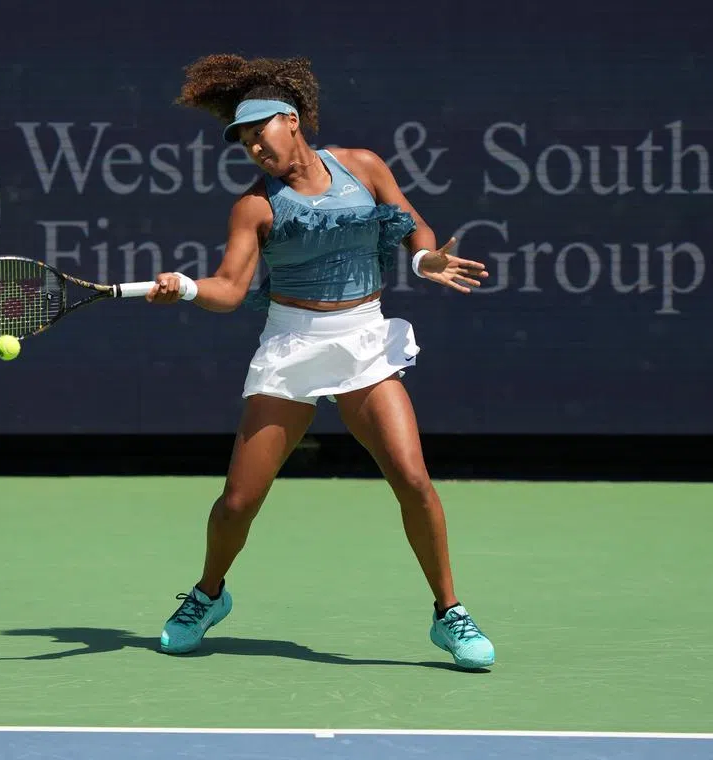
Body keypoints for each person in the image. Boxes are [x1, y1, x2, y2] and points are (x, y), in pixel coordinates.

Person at [144, 54, 495, 670]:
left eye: (260, 131)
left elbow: (414, 229)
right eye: (244, 140)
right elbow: (230, 289)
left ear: (292, 120)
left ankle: (450, 615)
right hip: (292, 344)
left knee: (412, 478)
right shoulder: (254, 206)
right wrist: (189, 287)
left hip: (363, 337)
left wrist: (425, 262)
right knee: (237, 503)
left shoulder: (363, 166)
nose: (253, 146)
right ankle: (208, 595)